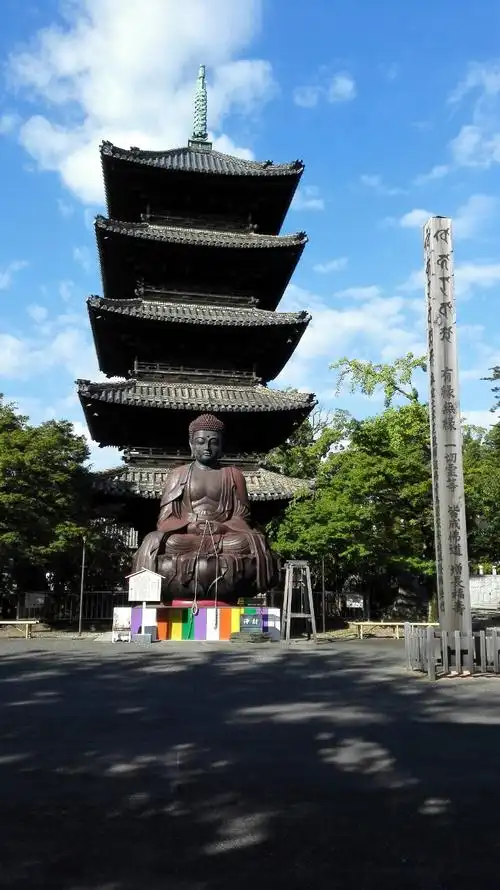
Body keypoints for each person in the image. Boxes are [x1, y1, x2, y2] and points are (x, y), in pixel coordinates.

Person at [132, 414, 276, 603]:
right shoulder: (179, 474)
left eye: (214, 442)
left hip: (224, 537)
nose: (207, 448)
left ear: (221, 445)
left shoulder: (233, 475)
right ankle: (147, 597)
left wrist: (223, 527)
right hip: (187, 537)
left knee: (251, 541)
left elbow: (243, 516)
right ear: (191, 444)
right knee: (155, 540)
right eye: (200, 442)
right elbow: (165, 520)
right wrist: (189, 523)